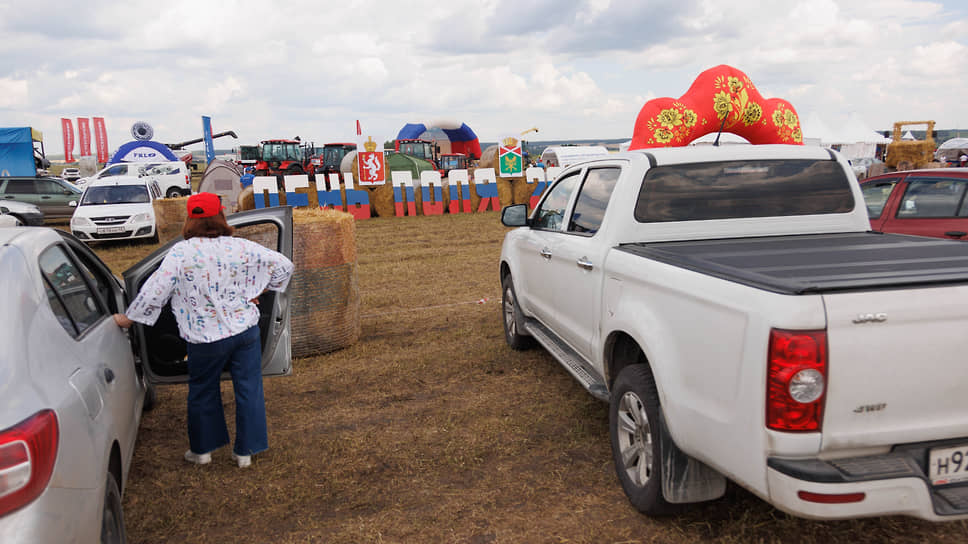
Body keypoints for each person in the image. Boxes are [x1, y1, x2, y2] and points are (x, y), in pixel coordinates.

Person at [113, 192, 294, 468]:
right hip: (245, 333)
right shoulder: (241, 247)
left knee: (202, 390)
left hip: (204, 339)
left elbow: (155, 292)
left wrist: (128, 319)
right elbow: (284, 266)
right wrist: (262, 290)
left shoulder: (180, 253)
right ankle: (245, 453)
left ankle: (203, 452)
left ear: (189, 220)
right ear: (221, 216)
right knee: (249, 389)